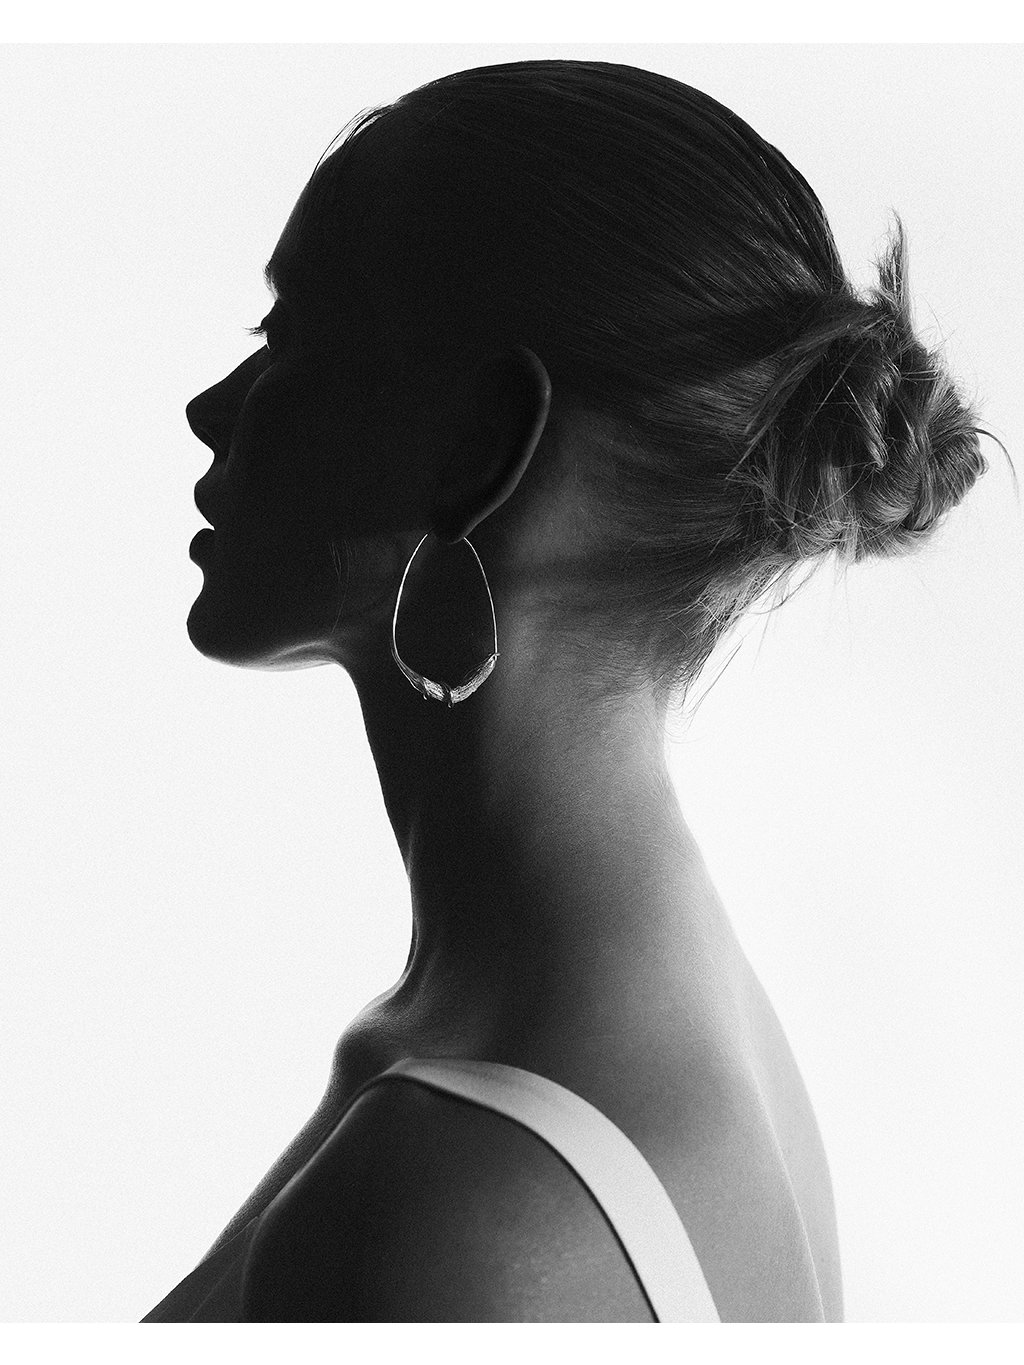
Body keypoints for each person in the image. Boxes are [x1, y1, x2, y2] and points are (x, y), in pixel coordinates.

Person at [149, 59, 1001, 1323]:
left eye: (290, 338)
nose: (209, 409)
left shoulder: (457, 1207)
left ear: (480, 446)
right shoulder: (658, 1024)